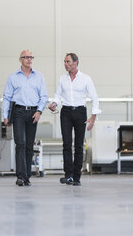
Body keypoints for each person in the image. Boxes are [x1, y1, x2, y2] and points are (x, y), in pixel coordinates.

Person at [48, 53, 101, 186]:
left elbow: (95, 98)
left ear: (76, 62)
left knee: (78, 145)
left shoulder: (86, 79)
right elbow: (58, 95)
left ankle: (77, 177)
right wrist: (54, 103)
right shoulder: (62, 79)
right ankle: (68, 175)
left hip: (80, 112)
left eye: (68, 61)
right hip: (65, 112)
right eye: (65, 62)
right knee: (66, 144)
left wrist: (93, 118)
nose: (65, 64)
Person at [3, 50, 48, 186]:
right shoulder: (13, 77)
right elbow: (7, 97)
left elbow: (44, 97)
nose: (29, 59)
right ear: (20, 59)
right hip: (18, 112)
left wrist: (39, 111)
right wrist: (5, 116)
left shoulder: (39, 77)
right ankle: (21, 176)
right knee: (20, 143)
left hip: (33, 113)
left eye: (31, 57)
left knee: (29, 145)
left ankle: (27, 176)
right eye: (26, 57)